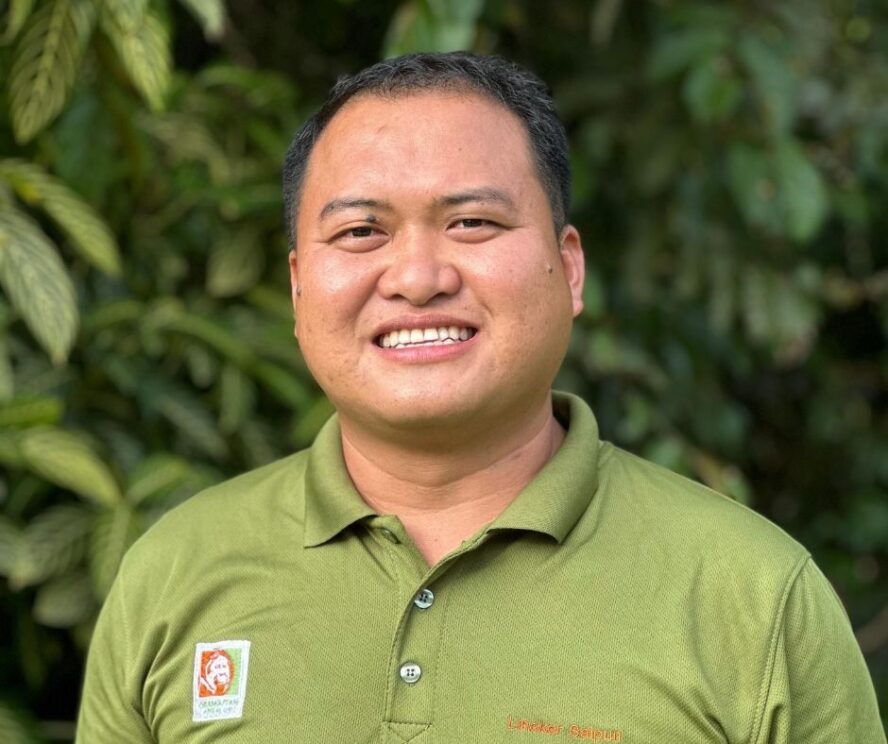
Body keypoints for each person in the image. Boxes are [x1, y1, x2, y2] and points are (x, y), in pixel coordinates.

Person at [76, 52, 885, 743]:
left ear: (569, 268)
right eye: (361, 232)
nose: (419, 277)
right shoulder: (174, 576)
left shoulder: (751, 595)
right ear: (298, 287)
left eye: (471, 223)